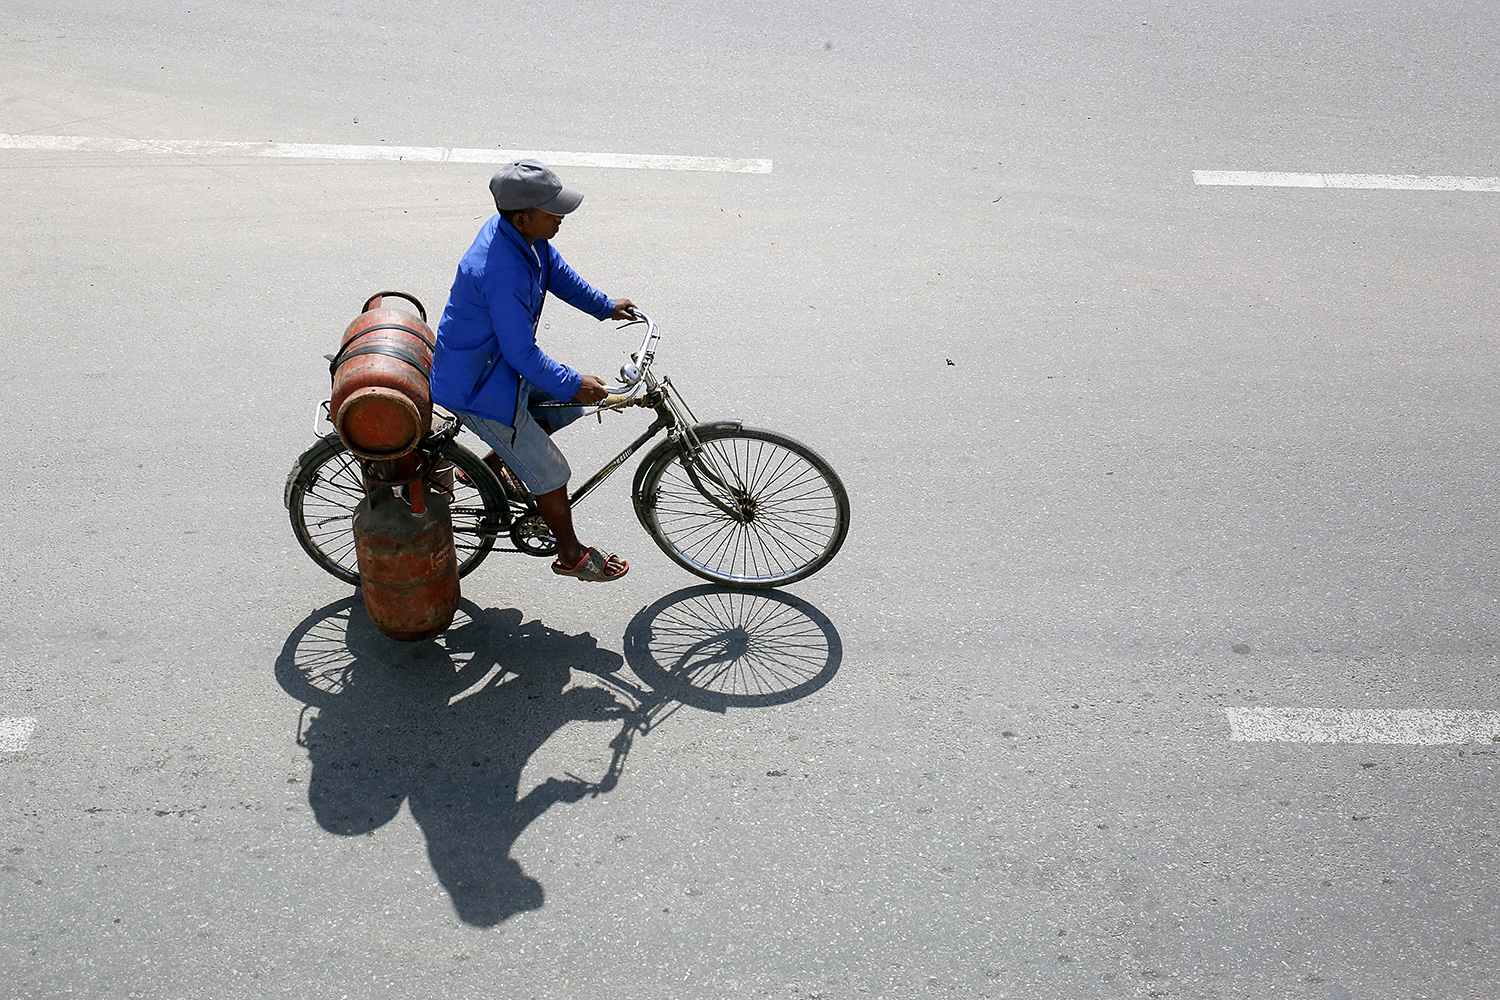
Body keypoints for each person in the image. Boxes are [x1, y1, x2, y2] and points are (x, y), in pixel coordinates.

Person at [430, 159, 635, 582]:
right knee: (552, 471)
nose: (560, 217)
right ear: (523, 217)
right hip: (480, 387)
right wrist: (573, 382)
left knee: (563, 408)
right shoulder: (500, 268)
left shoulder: (524, 238)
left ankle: (487, 466)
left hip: (494, 369)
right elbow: (522, 353)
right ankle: (571, 554)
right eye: (552, 211)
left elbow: (555, 272)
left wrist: (603, 306)